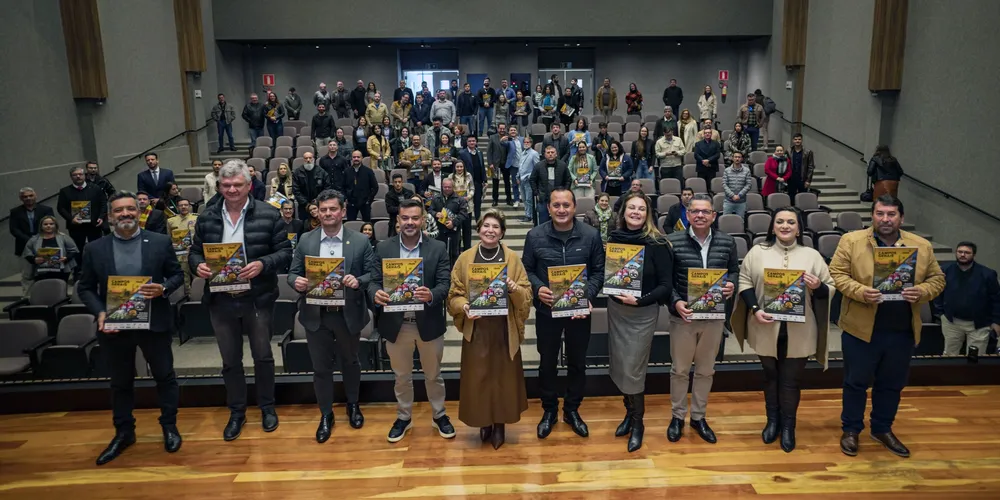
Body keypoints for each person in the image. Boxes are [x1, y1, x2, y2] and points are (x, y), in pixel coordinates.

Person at [830, 195, 944, 458]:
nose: (885, 219)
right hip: (860, 328)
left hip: (902, 330)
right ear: (873, 215)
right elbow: (837, 273)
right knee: (856, 383)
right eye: (880, 213)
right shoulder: (852, 241)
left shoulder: (921, 246)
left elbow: (937, 278)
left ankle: (882, 428)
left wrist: (922, 291)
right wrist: (859, 291)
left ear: (901, 218)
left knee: (892, 384)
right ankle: (851, 429)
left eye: (891, 214)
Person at [77, 191, 184, 465]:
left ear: (139, 212)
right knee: (120, 383)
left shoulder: (159, 242)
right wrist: (100, 312)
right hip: (115, 326)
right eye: (119, 211)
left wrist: (163, 288)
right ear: (110, 217)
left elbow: (176, 275)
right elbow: (86, 288)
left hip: (154, 322)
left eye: (130, 209)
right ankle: (124, 432)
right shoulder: (95, 248)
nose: (125, 214)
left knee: (165, 376)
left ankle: (169, 426)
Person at [189, 159, 292, 441]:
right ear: (219, 186)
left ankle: (267, 408)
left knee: (263, 356)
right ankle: (237, 412)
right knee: (230, 360)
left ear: (249, 185)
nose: (232, 189)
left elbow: (285, 253)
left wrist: (262, 264)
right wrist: (196, 266)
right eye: (226, 185)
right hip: (221, 300)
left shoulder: (269, 215)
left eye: (238, 184)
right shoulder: (207, 216)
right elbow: (194, 253)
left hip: (257, 297)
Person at [733, 208, 835, 453]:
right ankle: (772, 421)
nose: (785, 226)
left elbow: (830, 288)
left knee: (791, 381)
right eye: (780, 222)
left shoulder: (812, 255)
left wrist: (819, 285)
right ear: (772, 226)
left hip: (800, 330)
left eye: (791, 222)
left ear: (799, 228)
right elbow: (744, 281)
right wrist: (755, 308)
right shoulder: (757, 252)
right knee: (770, 376)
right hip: (764, 326)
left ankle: (788, 427)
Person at [288, 189, 373, 441]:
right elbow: (292, 273)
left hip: (348, 314)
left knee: (351, 363)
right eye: (323, 209)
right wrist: (298, 282)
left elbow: (372, 275)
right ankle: (326, 414)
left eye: (332, 209)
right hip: (317, 316)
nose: (327, 214)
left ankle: (353, 404)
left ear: (343, 211)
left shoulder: (360, 241)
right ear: (318, 212)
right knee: (321, 368)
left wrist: (357, 281)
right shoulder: (306, 240)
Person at [521, 188, 605, 440]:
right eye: (556, 205)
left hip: (579, 313)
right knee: (547, 362)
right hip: (548, 311)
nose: (561, 209)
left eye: (566, 205)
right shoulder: (534, 236)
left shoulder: (591, 235)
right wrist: (538, 288)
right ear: (548, 208)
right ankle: (549, 411)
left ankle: (571, 410)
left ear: (575, 207)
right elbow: (526, 269)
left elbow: (599, 271)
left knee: (577, 363)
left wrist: (586, 296)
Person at [370, 199, 455, 443]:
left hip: (427, 322)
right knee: (401, 376)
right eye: (404, 218)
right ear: (398, 221)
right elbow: (374, 282)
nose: (409, 222)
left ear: (422, 220)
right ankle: (404, 417)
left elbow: (444, 283)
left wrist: (432, 295)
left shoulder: (437, 248)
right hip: (396, 325)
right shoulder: (383, 248)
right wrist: (375, 294)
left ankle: (439, 415)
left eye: (414, 218)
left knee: (433, 375)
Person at [447, 209, 532, 449]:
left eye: (496, 227)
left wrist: (514, 288)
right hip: (478, 328)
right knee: (479, 379)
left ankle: (500, 425)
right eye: (486, 226)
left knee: (503, 379)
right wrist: (463, 306)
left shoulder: (512, 258)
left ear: (502, 232)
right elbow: (454, 294)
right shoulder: (465, 258)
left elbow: (526, 296)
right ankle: (484, 422)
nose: (490, 230)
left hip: (505, 329)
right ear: (478, 230)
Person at [665, 193, 739, 444]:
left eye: (705, 211)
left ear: (713, 216)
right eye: (695, 211)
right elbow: (666, 281)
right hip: (683, 317)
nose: (699, 215)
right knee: (680, 370)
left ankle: (698, 417)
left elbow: (734, 272)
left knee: (706, 370)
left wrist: (731, 285)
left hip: (714, 318)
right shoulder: (672, 241)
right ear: (687, 215)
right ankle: (677, 416)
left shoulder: (728, 242)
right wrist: (676, 301)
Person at [606, 191, 673, 452]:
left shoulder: (657, 243)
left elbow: (666, 286)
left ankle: (638, 423)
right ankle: (628, 413)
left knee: (633, 369)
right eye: (631, 208)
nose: (635, 212)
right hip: (617, 311)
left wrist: (641, 300)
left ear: (648, 214)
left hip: (642, 314)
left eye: (641, 209)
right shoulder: (615, 239)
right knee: (621, 366)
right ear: (623, 212)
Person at [933, 242, 1000, 355]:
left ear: (974, 255)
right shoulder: (945, 270)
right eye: (960, 252)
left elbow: (996, 299)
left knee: (976, 358)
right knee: (949, 355)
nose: (962, 255)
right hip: (951, 322)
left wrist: (996, 321)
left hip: (979, 324)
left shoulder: (988, 274)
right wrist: (941, 313)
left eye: (967, 252)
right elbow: (937, 292)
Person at [58, 166, 107, 274]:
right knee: (77, 249)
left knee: (96, 248)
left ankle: (97, 270)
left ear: (85, 175)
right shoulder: (65, 191)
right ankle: (78, 272)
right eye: (75, 175)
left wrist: (101, 217)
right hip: (76, 226)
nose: (78, 176)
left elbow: (103, 203)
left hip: (94, 225)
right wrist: (71, 219)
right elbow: (61, 208)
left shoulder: (95, 188)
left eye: (80, 174)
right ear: (71, 177)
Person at [10, 187, 55, 295]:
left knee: (46, 273)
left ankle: (47, 296)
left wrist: (39, 238)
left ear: (35, 196)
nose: (28, 198)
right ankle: (28, 298)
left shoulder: (46, 210)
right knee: (27, 275)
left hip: (44, 245)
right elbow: (14, 229)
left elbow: (52, 226)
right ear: (21, 198)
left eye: (30, 196)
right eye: (25, 197)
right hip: (24, 247)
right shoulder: (15, 212)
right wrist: (31, 240)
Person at [22, 215, 78, 284]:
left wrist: (66, 258)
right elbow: (27, 253)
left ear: (55, 225)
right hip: (41, 271)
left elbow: (74, 250)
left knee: (60, 291)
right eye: (45, 224)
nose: (48, 226)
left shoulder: (63, 237)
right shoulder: (34, 239)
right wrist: (34, 259)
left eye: (51, 224)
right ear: (41, 226)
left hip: (61, 271)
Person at [429, 178, 468, 264]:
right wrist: (435, 214)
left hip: (453, 232)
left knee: (454, 254)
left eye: (449, 187)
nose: (447, 189)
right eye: (445, 187)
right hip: (439, 231)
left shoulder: (460, 200)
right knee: (439, 253)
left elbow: (464, 214)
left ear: (453, 187)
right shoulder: (436, 198)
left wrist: (454, 223)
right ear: (442, 187)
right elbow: (430, 210)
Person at [529, 145, 571, 224]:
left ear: (556, 154)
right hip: (543, 198)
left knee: (558, 221)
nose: (550, 154)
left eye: (552, 152)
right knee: (543, 222)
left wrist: (565, 191)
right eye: (548, 152)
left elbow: (568, 180)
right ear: (544, 154)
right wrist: (536, 193)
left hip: (559, 198)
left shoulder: (563, 165)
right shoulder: (538, 166)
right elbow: (532, 180)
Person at [166, 198, 196, 292]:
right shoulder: (171, 221)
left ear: (189, 206)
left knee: (198, 275)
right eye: (181, 205)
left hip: (195, 251)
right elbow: (168, 237)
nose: (183, 207)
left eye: (186, 205)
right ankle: (187, 295)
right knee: (184, 275)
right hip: (180, 253)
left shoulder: (197, 218)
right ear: (177, 207)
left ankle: (198, 295)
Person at [292, 151, 331, 220]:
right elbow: (295, 190)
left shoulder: (322, 172)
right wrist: (307, 204)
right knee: (304, 226)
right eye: (306, 158)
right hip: (303, 206)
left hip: (319, 205)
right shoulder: (297, 173)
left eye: (310, 158)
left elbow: (327, 188)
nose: (308, 160)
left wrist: (317, 201)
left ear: (313, 159)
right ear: (303, 160)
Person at [458, 135, 487, 223]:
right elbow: (459, 167)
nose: (472, 142)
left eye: (473, 141)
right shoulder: (462, 153)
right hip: (467, 182)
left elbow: (482, 167)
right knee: (466, 203)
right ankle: (466, 222)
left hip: (478, 182)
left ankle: (478, 222)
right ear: (467, 142)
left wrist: (484, 180)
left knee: (477, 203)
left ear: (476, 142)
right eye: (470, 141)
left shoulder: (479, 152)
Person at [344, 150, 379, 222]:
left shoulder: (368, 171)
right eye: (354, 157)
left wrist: (369, 200)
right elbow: (342, 187)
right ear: (352, 158)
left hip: (365, 203)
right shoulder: (347, 171)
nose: (356, 159)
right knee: (351, 224)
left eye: (358, 157)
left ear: (362, 158)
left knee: (367, 224)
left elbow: (375, 187)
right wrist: (346, 198)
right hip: (351, 203)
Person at [449, 161, 475, 250]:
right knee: (456, 231)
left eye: (461, 167)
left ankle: (467, 250)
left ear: (464, 167)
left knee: (467, 230)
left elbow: (472, 188)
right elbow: (449, 190)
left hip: (467, 206)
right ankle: (457, 250)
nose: (459, 168)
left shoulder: (468, 175)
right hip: (455, 207)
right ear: (455, 168)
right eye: (457, 167)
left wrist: (469, 197)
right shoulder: (450, 176)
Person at [722, 152, 753, 217]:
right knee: (726, 220)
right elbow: (724, 184)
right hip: (728, 201)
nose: (737, 159)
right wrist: (732, 195)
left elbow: (748, 185)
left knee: (740, 222)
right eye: (735, 157)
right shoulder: (727, 170)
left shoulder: (747, 170)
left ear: (742, 159)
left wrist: (739, 195)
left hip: (741, 201)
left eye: (739, 157)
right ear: (732, 158)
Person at [517, 136, 540, 223]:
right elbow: (520, 166)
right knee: (524, 199)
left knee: (529, 199)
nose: (526, 144)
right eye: (525, 142)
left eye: (528, 142)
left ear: (531, 143)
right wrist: (517, 176)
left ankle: (529, 215)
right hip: (521, 179)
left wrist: (531, 176)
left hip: (529, 180)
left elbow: (537, 167)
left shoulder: (534, 154)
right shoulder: (522, 153)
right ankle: (527, 213)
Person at [487, 124, 510, 206]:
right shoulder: (493, 137)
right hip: (495, 164)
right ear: (498, 129)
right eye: (501, 128)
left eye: (504, 129)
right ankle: (495, 200)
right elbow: (489, 151)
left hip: (506, 164)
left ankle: (509, 199)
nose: (502, 130)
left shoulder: (508, 137)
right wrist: (490, 163)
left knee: (507, 182)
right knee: (495, 183)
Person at [386, 173, 415, 237]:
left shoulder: (409, 193)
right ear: (393, 183)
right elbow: (389, 209)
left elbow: (413, 206)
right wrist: (403, 208)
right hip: (394, 220)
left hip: (408, 218)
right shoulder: (389, 195)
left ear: (402, 182)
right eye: (395, 182)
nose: (397, 184)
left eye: (399, 182)